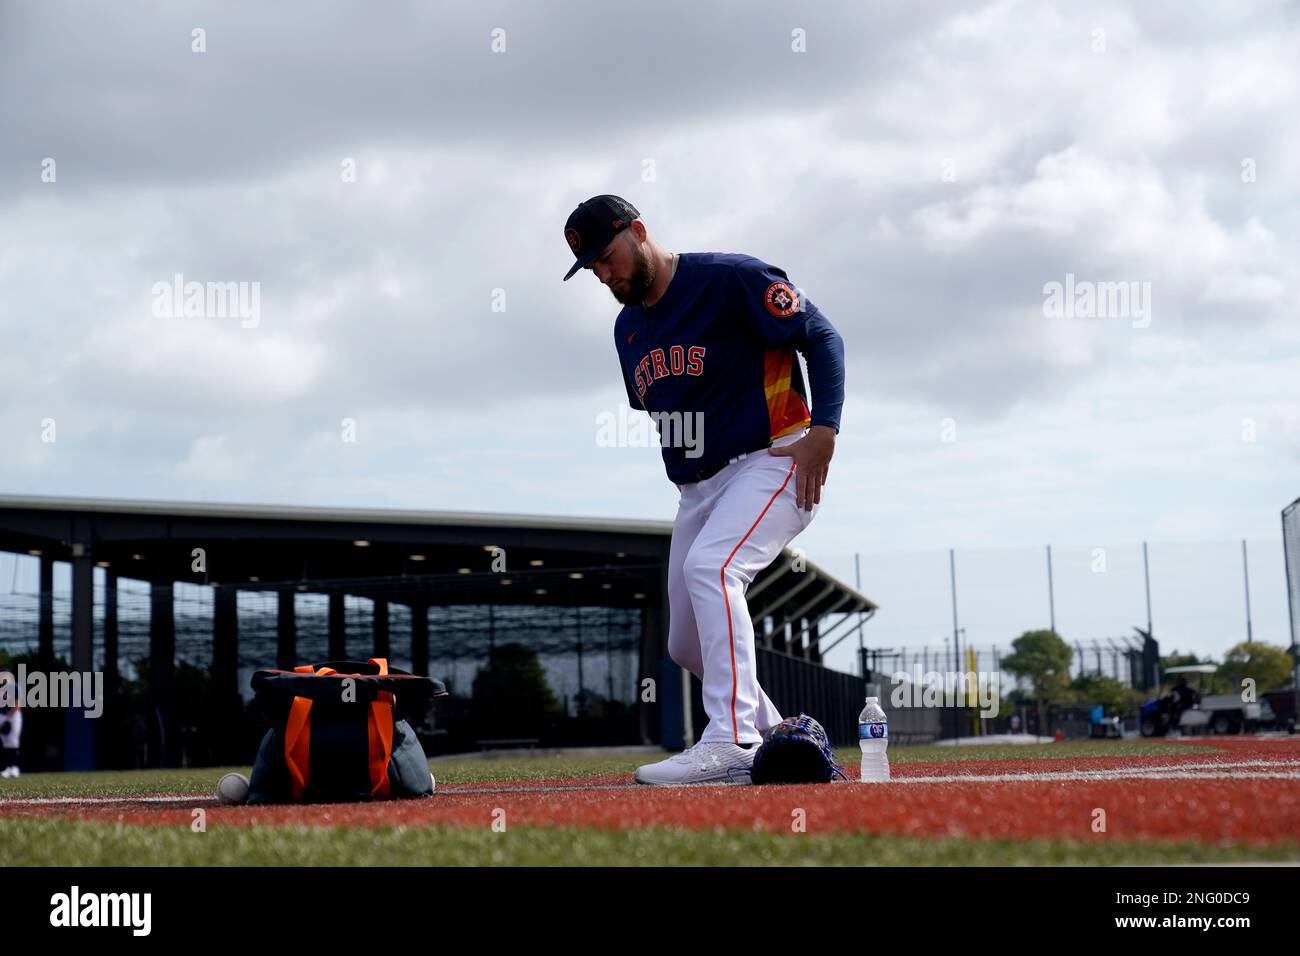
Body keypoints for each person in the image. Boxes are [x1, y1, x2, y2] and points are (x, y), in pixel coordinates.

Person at [562, 195, 846, 784]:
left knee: (714, 569)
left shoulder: (730, 278)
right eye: (591, 267)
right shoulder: (628, 328)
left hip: (772, 456)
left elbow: (822, 337)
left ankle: (732, 740)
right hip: (697, 489)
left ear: (638, 231)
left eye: (607, 256)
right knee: (686, 645)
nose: (604, 273)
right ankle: (781, 737)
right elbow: (657, 402)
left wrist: (825, 429)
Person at [0, 672, 22, 778]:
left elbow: (17, 704)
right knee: (5, 742)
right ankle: (9, 767)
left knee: (13, 741)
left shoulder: (15, 687)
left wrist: (9, 718)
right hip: (3, 715)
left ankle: (14, 767)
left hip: (14, 715)